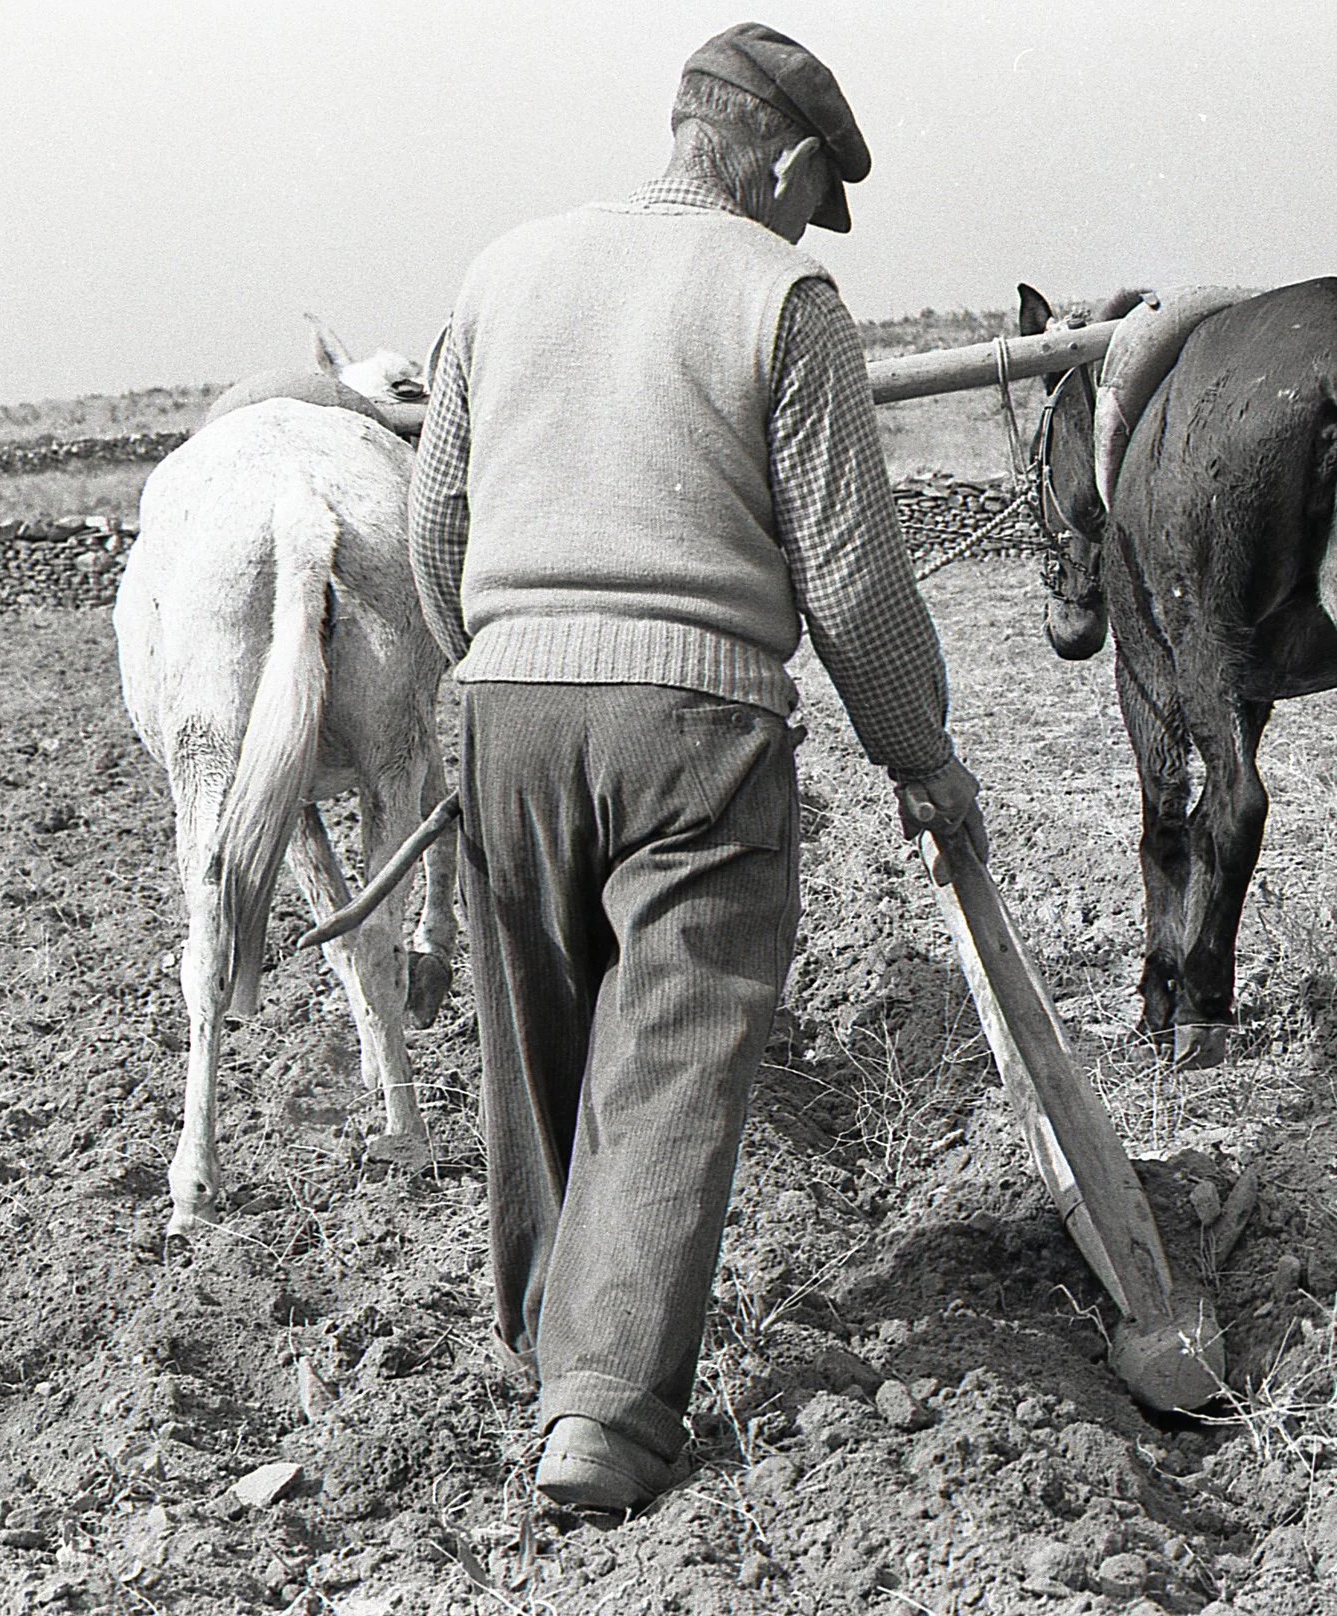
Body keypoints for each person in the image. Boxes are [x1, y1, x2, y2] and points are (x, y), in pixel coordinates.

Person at [408, 22, 988, 1513]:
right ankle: (602, 1412)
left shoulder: (503, 268)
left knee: (542, 1044)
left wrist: (489, 672)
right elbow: (852, 585)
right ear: (786, 165)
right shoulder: (784, 296)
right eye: (815, 193)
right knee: (676, 1050)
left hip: (507, 705)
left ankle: (550, 1349)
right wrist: (924, 761)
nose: (811, 223)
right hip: (697, 726)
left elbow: (434, 529)